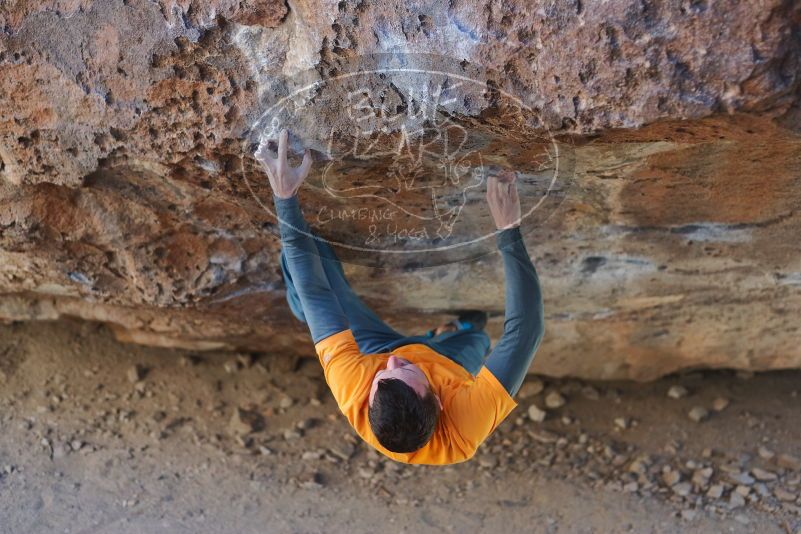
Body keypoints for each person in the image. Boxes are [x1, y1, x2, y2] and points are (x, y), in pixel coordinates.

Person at [255, 129, 544, 465]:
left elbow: (316, 293)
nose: (396, 361)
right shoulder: (465, 425)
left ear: (370, 399)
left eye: (386, 375)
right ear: (438, 402)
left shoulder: (355, 386)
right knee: (478, 337)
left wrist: (285, 196)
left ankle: (304, 310)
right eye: (405, 368)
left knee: (311, 261)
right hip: (449, 360)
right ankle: (450, 333)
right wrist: (509, 230)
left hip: (372, 350)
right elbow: (526, 332)